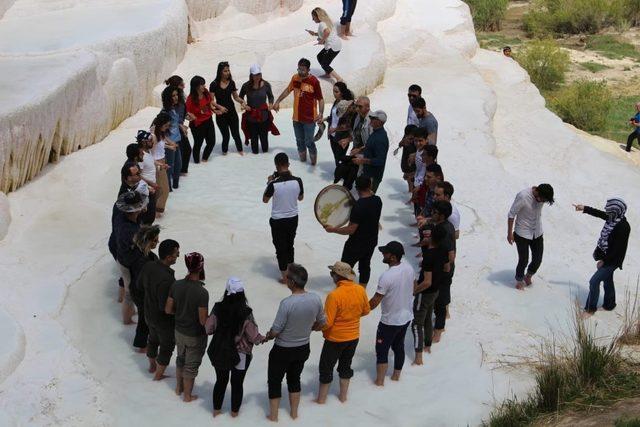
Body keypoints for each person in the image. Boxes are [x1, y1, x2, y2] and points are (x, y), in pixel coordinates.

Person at [263, 263, 326, 422]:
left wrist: (268, 336)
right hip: (303, 347)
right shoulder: (315, 298)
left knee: (275, 381)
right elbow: (322, 322)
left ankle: (274, 417)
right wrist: (309, 329)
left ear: (291, 282)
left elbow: (276, 330)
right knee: (294, 379)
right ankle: (294, 414)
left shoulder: (287, 303)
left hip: (282, 350)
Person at [206, 277, 264, 418]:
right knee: (237, 384)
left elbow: (208, 329)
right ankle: (234, 415)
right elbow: (253, 336)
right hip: (241, 354)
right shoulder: (246, 312)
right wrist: (262, 338)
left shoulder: (218, 308)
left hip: (220, 351)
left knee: (221, 381)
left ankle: (216, 413)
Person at [315, 262, 370, 404]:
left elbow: (327, 322)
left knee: (326, 369)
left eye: (332, 273)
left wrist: (314, 327)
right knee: (345, 366)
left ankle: (321, 400)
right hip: (353, 337)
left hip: (335, 339)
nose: (331, 276)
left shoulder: (334, 295)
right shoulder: (360, 290)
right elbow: (366, 310)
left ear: (337, 276)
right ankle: (343, 397)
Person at [165, 252, 209, 403]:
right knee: (190, 366)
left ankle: (179, 388)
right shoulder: (202, 293)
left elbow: (168, 309)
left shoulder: (176, 285)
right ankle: (188, 396)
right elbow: (203, 321)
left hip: (179, 331)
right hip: (194, 336)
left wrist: (182, 312)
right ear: (201, 267)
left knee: (180, 359)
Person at [573, 199, 630, 315]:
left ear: (616, 211)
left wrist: (604, 261)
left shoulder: (623, 227)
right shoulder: (614, 218)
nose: (607, 213)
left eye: (609, 211)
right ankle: (610, 304)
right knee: (607, 280)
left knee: (594, 281)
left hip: (612, 260)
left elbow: (617, 250)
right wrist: (584, 208)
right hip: (607, 256)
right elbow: (600, 214)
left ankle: (590, 309)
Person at [368, 241, 414, 386]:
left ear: (393, 257)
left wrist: (358, 311)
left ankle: (379, 382)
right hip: (406, 317)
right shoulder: (408, 268)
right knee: (399, 346)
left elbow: (375, 301)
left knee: (381, 351)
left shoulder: (386, 276)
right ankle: (396, 377)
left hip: (390, 321)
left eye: (386, 252)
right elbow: (414, 286)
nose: (383, 253)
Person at [325, 176, 382, 286]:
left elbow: (351, 230)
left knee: (344, 269)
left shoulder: (358, 207)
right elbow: (369, 201)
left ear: (356, 188)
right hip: (371, 241)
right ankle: (362, 291)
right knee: (365, 267)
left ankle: (344, 292)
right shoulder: (378, 200)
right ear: (370, 185)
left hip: (355, 244)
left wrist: (333, 230)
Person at [139, 238, 179, 381]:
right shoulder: (167, 280)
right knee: (167, 346)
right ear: (168, 257)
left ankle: (152, 366)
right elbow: (165, 307)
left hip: (148, 313)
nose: (178, 256)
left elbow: (139, 285)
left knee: (153, 339)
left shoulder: (148, 265)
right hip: (163, 320)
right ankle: (159, 375)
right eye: (176, 254)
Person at [273, 58, 324, 165]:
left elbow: (320, 99)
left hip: (310, 118)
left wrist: (321, 113)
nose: (300, 72)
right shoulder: (295, 78)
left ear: (308, 69)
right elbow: (288, 90)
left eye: (302, 70)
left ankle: (313, 166)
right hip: (296, 118)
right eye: (299, 69)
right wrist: (278, 101)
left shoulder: (314, 81)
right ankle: (303, 164)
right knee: (299, 141)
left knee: (309, 142)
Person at [263, 153, 304, 284]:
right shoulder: (298, 180)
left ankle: (285, 278)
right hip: (293, 217)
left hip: (278, 220)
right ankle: (291, 271)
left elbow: (265, 200)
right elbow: (300, 198)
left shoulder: (273, 184)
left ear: (276, 165)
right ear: (288, 164)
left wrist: (269, 182)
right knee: (289, 244)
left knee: (280, 249)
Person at [507, 184, 555, 290]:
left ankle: (528, 275)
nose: (542, 202)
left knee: (538, 259)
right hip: (522, 233)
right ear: (537, 192)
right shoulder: (523, 196)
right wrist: (509, 233)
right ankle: (519, 280)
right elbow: (511, 214)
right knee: (523, 260)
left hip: (537, 232)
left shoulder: (542, 195)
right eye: (542, 199)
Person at [412, 225, 447, 362]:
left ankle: (418, 356)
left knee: (417, 323)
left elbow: (426, 282)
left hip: (425, 293)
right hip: (435, 291)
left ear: (431, 237)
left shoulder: (429, 255)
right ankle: (427, 345)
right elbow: (446, 267)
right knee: (427, 318)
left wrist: (415, 290)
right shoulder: (443, 250)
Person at [114, 190, 148, 324]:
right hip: (128, 262)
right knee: (129, 292)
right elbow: (140, 245)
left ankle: (129, 311)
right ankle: (127, 319)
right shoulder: (129, 229)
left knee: (128, 287)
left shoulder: (121, 217)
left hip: (123, 258)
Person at [129, 225, 161, 353]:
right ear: (148, 241)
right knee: (144, 318)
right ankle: (141, 344)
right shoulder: (143, 261)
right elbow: (143, 282)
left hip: (138, 291)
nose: (157, 242)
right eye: (155, 240)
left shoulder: (140, 253)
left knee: (144, 317)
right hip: (141, 293)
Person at [429, 201, 456, 343]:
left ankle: (438, 330)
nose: (432, 214)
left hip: (442, 271)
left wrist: (444, 268)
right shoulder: (445, 225)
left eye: (434, 212)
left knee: (439, 301)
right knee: (442, 298)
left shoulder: (444, 231)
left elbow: (450, 255)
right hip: (441, 269)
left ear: (442, 215)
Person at [239, 64, 277, 154]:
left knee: (264, 142)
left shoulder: (266, 85)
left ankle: (264, 162)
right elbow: (240, 97)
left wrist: (271, 104)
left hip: (263, 116)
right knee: (254, 144)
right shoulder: (246, 86)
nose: (257, 77)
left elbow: (271, 96)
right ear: (251, 75)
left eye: (259, 74)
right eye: (255, 75)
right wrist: (244, 105)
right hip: (251, 116)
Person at [186, 75, 223, 163]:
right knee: (198, 144)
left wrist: (215, 110)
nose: (204, 86)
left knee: (211, 142)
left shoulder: (206, 92)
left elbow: (209, 102)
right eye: (202, 84)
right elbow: (186, 113)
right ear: (196, 86)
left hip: (208, 120)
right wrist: (190, 117)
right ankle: (196, 163)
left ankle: (204, 159)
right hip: (197, 124)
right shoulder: (190, 99)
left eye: (204, 84)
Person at [210, 62, 244, 155]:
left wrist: (242, 102)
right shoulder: (214, 84)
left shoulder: (232, 83)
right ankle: (224, 152)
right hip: (221, 114)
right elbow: (211, 101)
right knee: (226, 136)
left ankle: (240, 150)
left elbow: (236, 97)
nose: (228, 72)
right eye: (225, 71)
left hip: (232, 112)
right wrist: (218, 108)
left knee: (236, 134)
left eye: (228, 70)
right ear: (220, 72)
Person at [351, 110, 389, 193]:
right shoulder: (375, 133)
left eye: (373, 118)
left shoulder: (381, 138)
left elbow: (380, 161)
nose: (370, 119)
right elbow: (370, 146)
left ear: (379, 122)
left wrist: (362, 160)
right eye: (370, 117)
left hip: (373, 177)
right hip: (367, 173)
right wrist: (359, 150)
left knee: (367, 200)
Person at [150, 112, 178, 216]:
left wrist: (170, 146)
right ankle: (157, 213)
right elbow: (150, 156)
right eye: (166, 126)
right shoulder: (153, 136)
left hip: (162, 162)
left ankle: (156, 212)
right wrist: (160, 165)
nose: (167, 128)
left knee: (161, 189)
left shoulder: (159, 132)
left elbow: (160, 145)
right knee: (164, 190)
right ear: (160, 124)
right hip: (157, 165)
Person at [165, 75, 192, 174]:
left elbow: (181, 112)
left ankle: (180, 172)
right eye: (181, 84)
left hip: (179, 127)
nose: (184, 85)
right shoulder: (172, 99)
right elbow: (173, 116)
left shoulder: (180, 95)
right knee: (183, 150)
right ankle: (179, 172)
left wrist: (187, 115)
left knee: (184, 150)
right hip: (175, 129)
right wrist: (181, 126)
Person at [307, 7, 342, 82]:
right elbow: (325, 32)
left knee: (325, 64)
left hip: (332, 46)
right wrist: (314, 34)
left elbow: (327, 32)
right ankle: (328, 73)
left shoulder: (322, 24)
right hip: (336, 44)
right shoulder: (326, 21)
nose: (313, 19)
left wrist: (322, 41)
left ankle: (339, 78)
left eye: (313, 17)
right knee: (320, 56)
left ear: (318, 16)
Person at [161, 86, 183, 190]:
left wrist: (181, 126)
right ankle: (168, 189)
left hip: (176, 140)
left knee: (178, 165)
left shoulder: (174, 108)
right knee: (169, 167)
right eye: (173, 96)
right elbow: (160, 130)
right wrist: (169, 143)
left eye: (176, 95)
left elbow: (175, 124)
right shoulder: (165, 112)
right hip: (170, 143)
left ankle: (176, 186)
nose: (176, 97)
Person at [327, 82, 354, 165]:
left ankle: (342, 174)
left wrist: (335, 129)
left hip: (342, 136)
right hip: (332, 134)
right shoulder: (336, 101)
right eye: (333, 91)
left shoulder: (347, 106)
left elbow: (349, 124)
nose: (334, 94)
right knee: (336, 157)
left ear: (342, 92)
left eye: (336, 92)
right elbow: (333, 117)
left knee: (341, 157)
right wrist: (325, 119)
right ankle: (339, 172)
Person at [136, 130, 158, 225]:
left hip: (151, 189)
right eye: (149, 140)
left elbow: (151, 163)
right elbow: (137, 175)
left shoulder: (148, 152)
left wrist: (161, 165)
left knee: (151, 215)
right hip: (145, 191)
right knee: (147, 217)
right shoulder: (141, 157)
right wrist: (149, 186)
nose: (152, 142)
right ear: (143, 142)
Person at [397, 125, 418, 193]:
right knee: (409, 177)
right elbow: (400, 144)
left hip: (412, 164)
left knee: (411, 177)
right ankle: (410, 191)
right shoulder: (406, 137)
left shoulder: (416, 141)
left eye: (412, 137)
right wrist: (402, 142)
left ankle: (412, 191)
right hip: (405, 161)